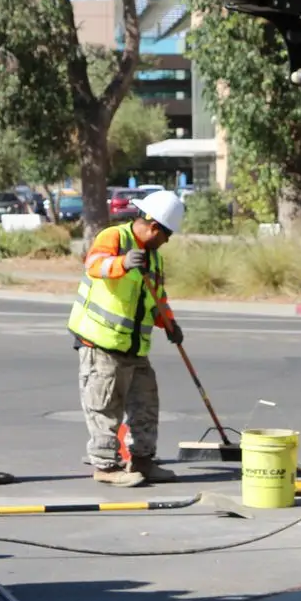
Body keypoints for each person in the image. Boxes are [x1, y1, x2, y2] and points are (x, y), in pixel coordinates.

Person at [66, 189, 187, 487]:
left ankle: (143, 461)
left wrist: (169, 323)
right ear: (154, 226)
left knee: (146, 404)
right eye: (166, 234)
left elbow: (156, 297)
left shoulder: (155, 259)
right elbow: (94, 264)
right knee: (104, 405)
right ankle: (106, 467)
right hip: (101, 344)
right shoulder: (115, 238)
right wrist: (121, 263)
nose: (167, 241)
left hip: (135, 348)